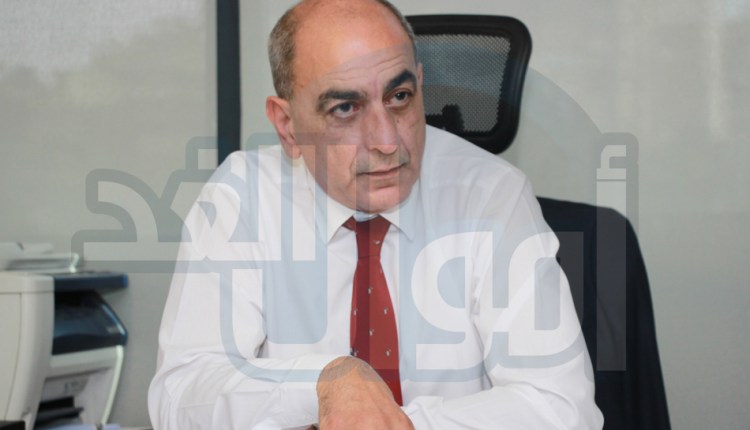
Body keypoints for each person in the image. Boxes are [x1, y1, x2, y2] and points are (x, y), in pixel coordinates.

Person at [148, 0, 603, 428]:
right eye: (345, 108)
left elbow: (562, 408)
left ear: (420, 85)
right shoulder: (242, 197)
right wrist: (322, 383)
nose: (387, 141)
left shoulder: (491, 195)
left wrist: (401, 424)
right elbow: (179, 396)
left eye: (400, 96)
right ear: (287, 126)